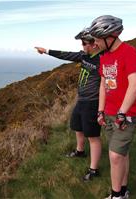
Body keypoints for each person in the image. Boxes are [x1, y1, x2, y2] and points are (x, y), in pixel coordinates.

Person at [35, 28, 103, 181]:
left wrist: (102, 109)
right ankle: (80, 152)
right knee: (77, 126)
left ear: (94, 45)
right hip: (82, 100)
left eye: (84, 43)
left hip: (93, 102)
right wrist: (45, 50)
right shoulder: (84, 56)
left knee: (93, 136)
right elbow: (65, 55)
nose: (82, 46)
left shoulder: (103, 59)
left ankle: (94, 170)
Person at [89, 15, 136, 199]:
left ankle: (116, 195)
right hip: (110, 113)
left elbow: (135, 85)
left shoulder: (130, 53)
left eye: (97, 39)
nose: (95, 43)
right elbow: (103, 86)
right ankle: (124, 190)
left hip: (126, 115)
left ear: (109, 36)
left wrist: (122, 113)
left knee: (114, 156)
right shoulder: (105, 57)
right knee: (121, 154)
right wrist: (100, 111)